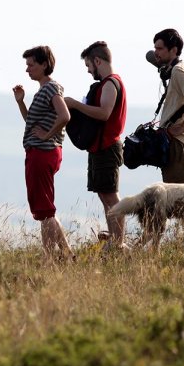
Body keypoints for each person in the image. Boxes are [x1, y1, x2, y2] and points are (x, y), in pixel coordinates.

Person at [63, 41, 128, 249]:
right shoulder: (109, 83)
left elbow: (104, 113)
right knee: (104, 194)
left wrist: (75, 105)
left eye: (89, 66)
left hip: (108, 146)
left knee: (110, 195)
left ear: (97, 61)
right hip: (100, 147)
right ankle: (114, 239)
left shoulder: (110, 83)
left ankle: (119, 243)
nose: (89, 71)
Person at [13, 46, 73, 260]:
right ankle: (67, 254)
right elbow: (32, 122)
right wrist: (21, 102)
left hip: (42, 152)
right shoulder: (46, 90)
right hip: (44, 151)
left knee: (44, 211)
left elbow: (65, 115)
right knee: (46, 208)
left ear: (44, 64)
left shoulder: (50, 89)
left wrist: (47, 135)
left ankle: (49, 259)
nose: (27, 69)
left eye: (31, 64)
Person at [151, 28, 184, 184]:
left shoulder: (178, 71)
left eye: (159, 48)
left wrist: (182, 126)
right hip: (179, 142)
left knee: (179, 197)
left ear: (173, 50)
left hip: (178, 143)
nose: (156, 53)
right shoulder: (183, 68)